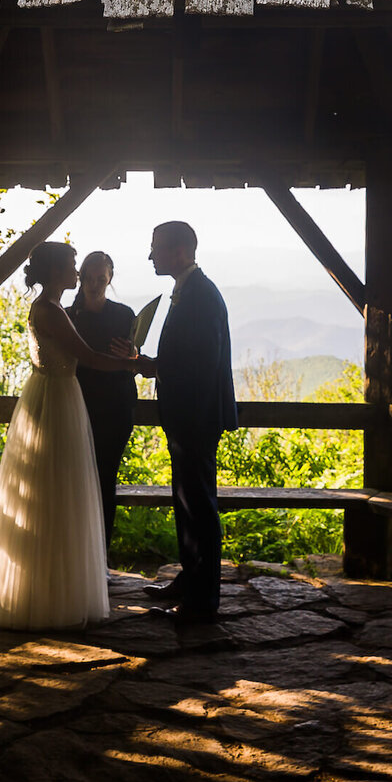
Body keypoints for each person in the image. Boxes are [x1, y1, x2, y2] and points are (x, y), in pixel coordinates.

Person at [0, 241, 141, 630]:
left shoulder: (53, 308)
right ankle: (48, 592)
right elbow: (92, 357)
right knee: (56, 490)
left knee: (55, 491)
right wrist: (138, 363)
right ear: (53, 272)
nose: (77, 272)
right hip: (57, 399)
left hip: (55, 395)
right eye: (71, 265)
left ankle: (48, 582)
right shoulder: (51, 310)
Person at [140, 222, 237, 624]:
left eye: (156, 248)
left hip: (196, 418)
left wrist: (151, 367)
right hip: (186, 417)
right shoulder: (190, 292)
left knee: (199, 505)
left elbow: (201, 363)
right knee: (186, 502)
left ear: (180, 251)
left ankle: (203, 600)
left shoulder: (200, 296)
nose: (150, 256)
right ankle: (190, 578)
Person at [68, 250, 139, 551]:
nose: (95, 284)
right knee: (75, 481)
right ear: (80, 278)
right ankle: (76, 552)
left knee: (105, 479)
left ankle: (100, 555)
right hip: (77, 405)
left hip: (116, 407)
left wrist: (133, 356)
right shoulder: (69, 317)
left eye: (102, 278)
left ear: (110, 279)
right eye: (90, 278)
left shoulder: (124, 315)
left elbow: (134, 360)